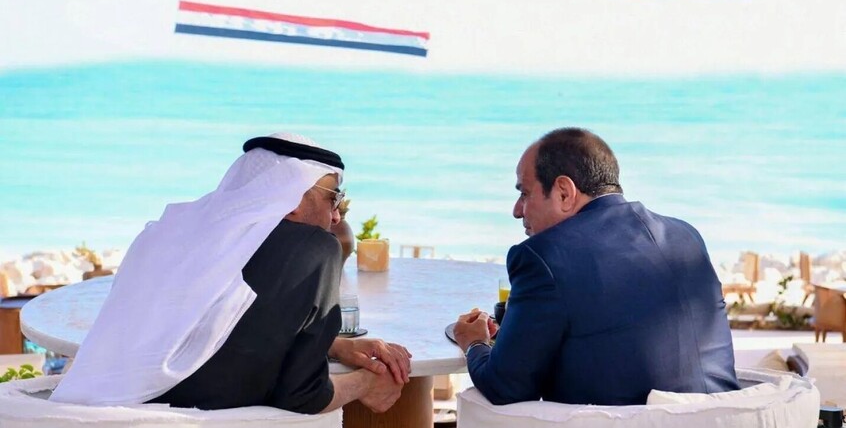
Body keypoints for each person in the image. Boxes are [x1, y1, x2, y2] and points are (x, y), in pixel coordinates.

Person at [51, 132, 411, 415]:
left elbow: (208, 325)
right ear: (293, 197)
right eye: (333, 198)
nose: (336, 216)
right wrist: (367, 384)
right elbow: (301, 395)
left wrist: (335, 346)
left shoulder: (168, 232)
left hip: (89, 408)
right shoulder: (313, 247)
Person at [453, 127, 739, 406]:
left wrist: (474, 343)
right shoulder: (686, 236)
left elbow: (505, 387)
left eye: (525, 193)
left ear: (564, 192)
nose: (517, 210)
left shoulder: (544, 257)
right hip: (725, 416)